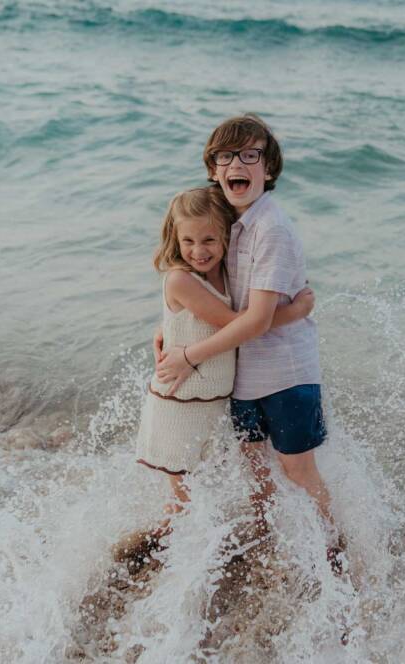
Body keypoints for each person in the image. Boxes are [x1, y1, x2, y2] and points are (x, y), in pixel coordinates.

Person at [154, 114, 345, 572]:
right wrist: (168, 329)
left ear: (269, 167)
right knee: (256, 471)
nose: (236, 163)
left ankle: (334, 550)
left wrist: (186, 356)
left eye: (250, 155)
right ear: (215, 170)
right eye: (225, 156)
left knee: (298, 471)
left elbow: (257, 321)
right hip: (242, 376)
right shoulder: (228, 222)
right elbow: (199, 285)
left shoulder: (271, 228)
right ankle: (264, 542)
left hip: (285, 375)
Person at [113, 186, 313, 565]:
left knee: (206, 485)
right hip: (180, 403)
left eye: (209, 239)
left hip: (211, 401)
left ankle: (230, 544)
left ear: (225, 236)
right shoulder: (181, 280)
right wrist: (295, 313)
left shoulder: (223, 271)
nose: (198, 250)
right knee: (183, 496)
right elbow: (238, 323)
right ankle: (150, 554)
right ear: (175, 238)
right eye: (188, 240)